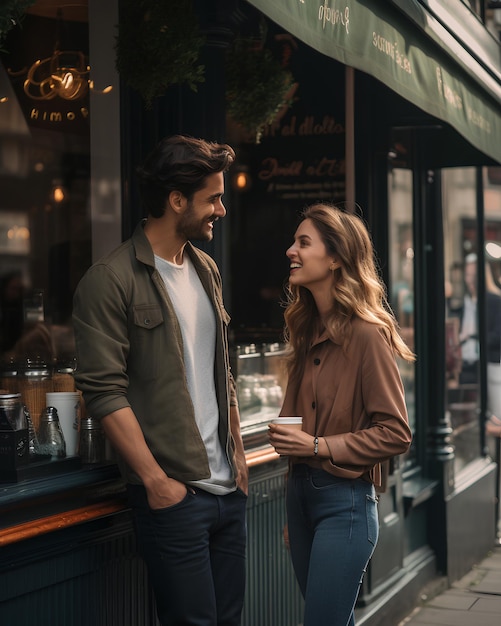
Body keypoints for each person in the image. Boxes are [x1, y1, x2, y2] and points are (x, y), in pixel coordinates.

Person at [72, 135, 248, 626]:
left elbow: (221, 368)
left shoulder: (205, 268)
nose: (222, 209)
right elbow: (104, 389)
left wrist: (236, 452)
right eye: (213, 197)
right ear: (176, 200)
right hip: (175, 497)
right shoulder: (110, 280)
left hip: (227, 492)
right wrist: (155, 481)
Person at [268, 203, 413, 626]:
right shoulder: (305, 328)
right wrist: (294, 509)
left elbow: (396, 433)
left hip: (344, 504)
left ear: (334, 259)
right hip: (301, 498)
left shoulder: (368, 335)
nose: (291, 251)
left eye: (303, 242)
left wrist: (318, 445)